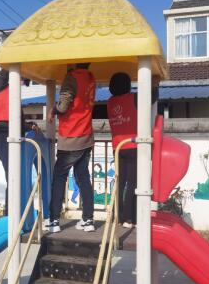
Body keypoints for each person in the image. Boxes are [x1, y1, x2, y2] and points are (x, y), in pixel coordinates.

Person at [47, 63, 96, 233]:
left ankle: (54, 221)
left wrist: (53, 110)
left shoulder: (71, 78)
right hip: (86, 137)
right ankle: (88, 220)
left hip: (70, 137)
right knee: (83, 178)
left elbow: (63, 106)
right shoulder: (90, 78)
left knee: (59, 178)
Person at [107, 72, 158, 229]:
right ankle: (129, 218)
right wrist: (155, 84)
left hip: (118, 147)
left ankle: (118, 216)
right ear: (128, 85)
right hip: (134, 146)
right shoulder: (134, 98)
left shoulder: (110, 102)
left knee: (120, 182)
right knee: (133, 183)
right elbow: (152, 98)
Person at [0, 69, 37, 216]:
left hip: (12, 135)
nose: (21, 84)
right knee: (12, 176)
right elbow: (2, 76)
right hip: (4, 137)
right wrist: (11, 66)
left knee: (16, 176)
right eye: (21, 80)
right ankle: (10, 214)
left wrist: (29, 126)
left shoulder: (11, 93)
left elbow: (16, 121)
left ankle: (16, 212)